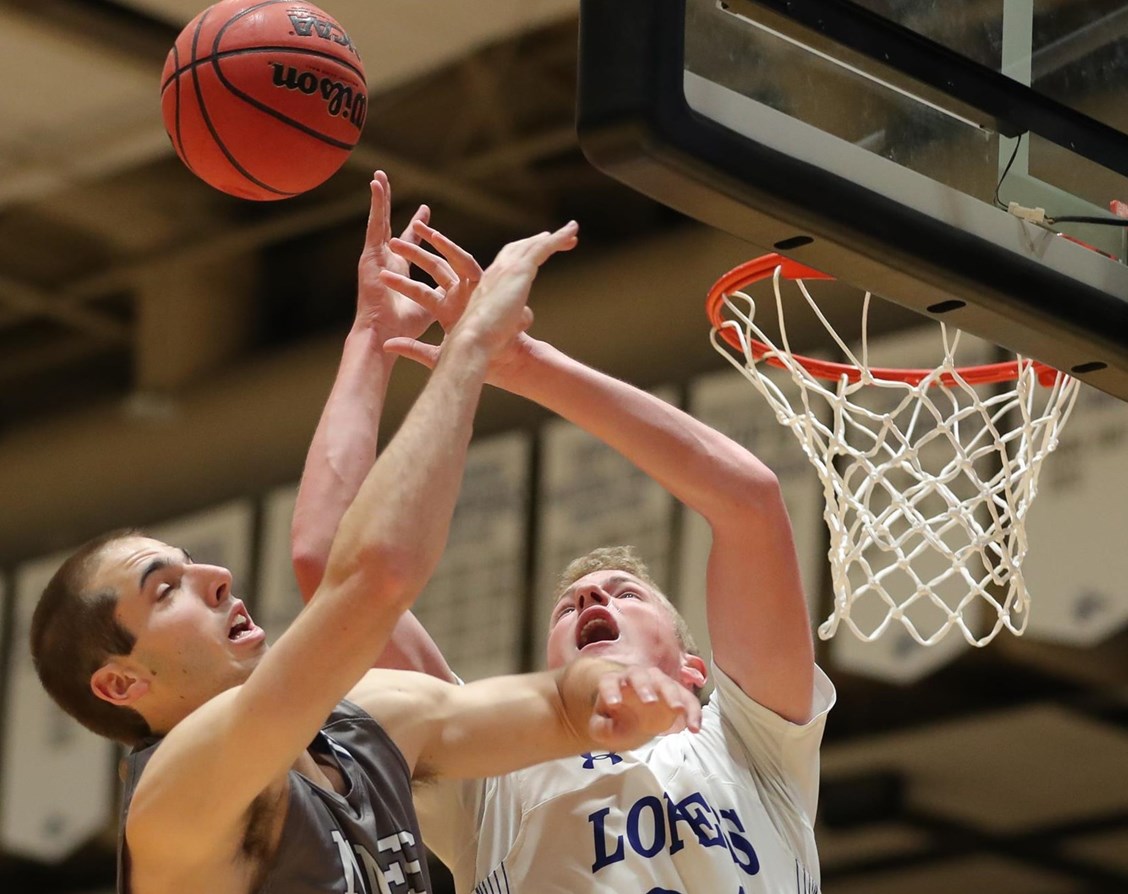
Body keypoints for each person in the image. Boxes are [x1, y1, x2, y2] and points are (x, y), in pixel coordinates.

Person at [29, 173, 702, 894]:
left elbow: (557, 707)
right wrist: (469, 350)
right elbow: (374, 577)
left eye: (191, 564)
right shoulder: (178, 800)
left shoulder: (365, 727)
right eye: (165, 591)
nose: (216, 575)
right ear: (121, 682)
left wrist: (374, 337)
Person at [290, 181, 836, 893]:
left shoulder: (752, 744)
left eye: (623, 594)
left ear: (694, 674)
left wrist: (522, 364)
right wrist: (372, 336)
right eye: (568, 607)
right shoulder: (490, 760)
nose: (587, 600)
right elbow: (327, 561)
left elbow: (750, 502)